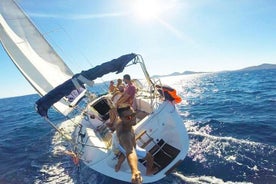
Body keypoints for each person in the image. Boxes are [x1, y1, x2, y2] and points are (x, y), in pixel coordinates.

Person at [114, 105, 155, 183]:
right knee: (150, 157)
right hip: (130, 146)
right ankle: (149, 171)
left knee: (123, 154)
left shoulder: (118, 121)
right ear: (122, 118)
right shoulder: (125, 135)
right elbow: (131, 152)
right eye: (128, 117)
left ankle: (118, 166)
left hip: (121, 146)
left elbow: (127, 150)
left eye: (133, 114)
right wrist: (135, 171)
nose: (133, 118)